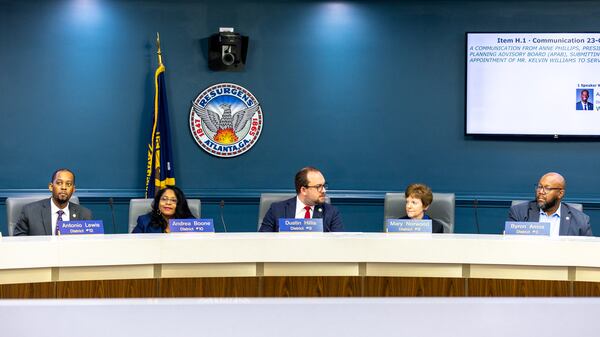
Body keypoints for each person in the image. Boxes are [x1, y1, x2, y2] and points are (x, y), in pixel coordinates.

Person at [259, 167, 344, 232]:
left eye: (324, 186)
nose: (324, 190)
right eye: (318, 187)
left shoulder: (331, 213)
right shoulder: (277, 209)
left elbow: (337, 244)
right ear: (303, 190)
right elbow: (262, 241)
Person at [507, 172, 592, 236]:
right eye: (540, 187)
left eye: (547, 188)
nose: (541, 192)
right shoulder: (519, 212)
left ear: (560, 193)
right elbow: (509, 245)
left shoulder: (580, 220)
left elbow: (587, 251)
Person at [14, 168, 92, 236]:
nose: (64, 187)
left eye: (68, 184)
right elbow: (18, 241)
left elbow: (90, 244)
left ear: (73, 189)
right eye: (59, 183)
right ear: (51, 187)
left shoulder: (84, 214)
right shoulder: (30, 212)